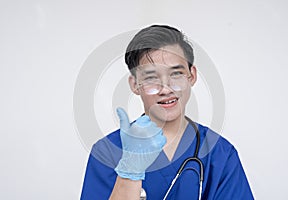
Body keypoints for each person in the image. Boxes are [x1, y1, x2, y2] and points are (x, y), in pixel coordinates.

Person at [80, 24, 254, 200]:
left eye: (176, 74)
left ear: (191, 76)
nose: (166, 89)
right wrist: (129, 173)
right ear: (135, 85)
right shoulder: (107, 152)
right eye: (151, 78)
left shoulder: (220, 153)